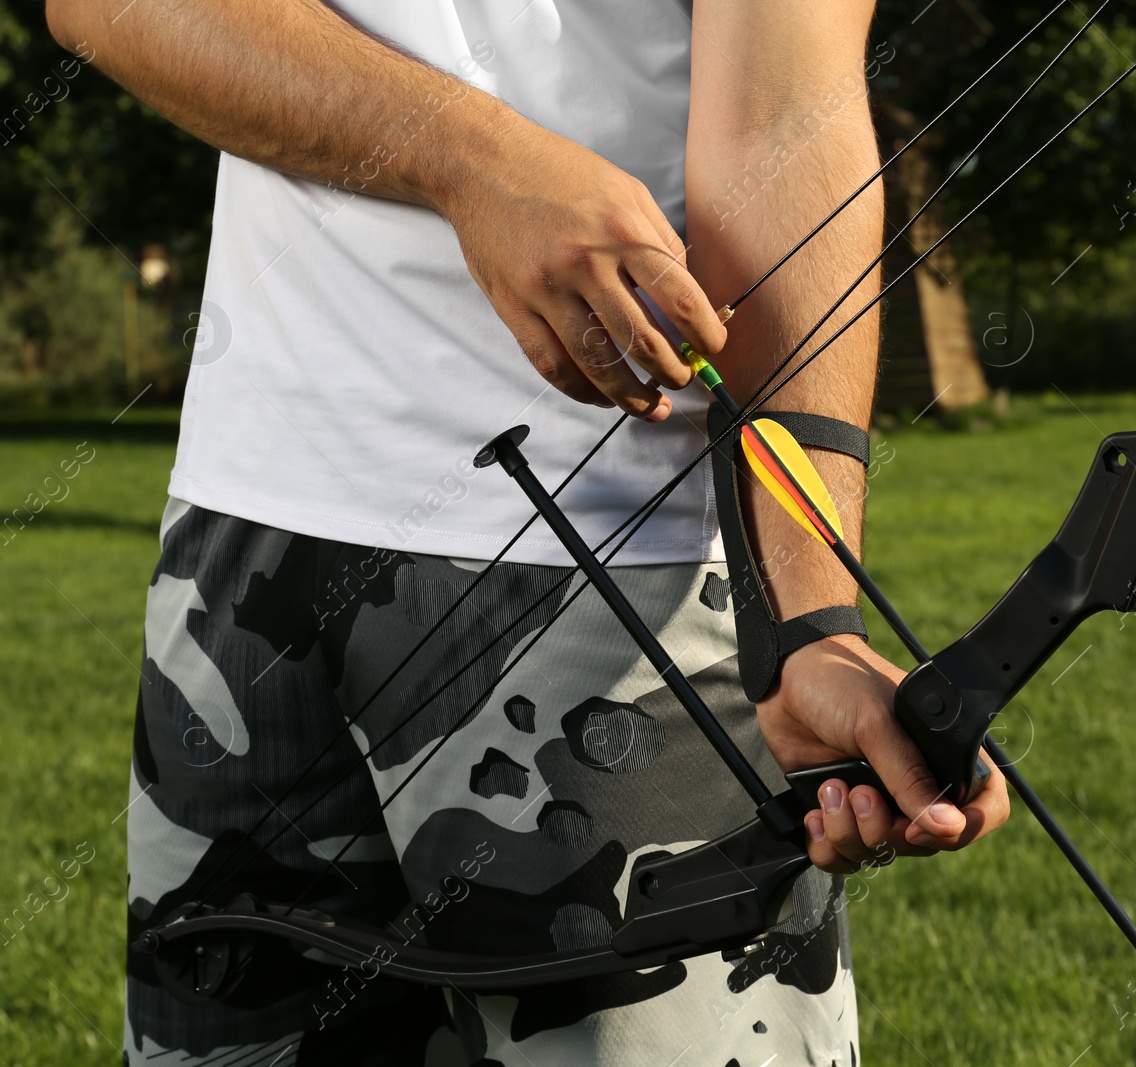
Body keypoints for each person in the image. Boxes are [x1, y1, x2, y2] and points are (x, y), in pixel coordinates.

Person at [45, 0, 1010, 1062]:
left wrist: (807, 620)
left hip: (617, 578)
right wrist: (474, 160)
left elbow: (784, 122)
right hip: (241, 540)